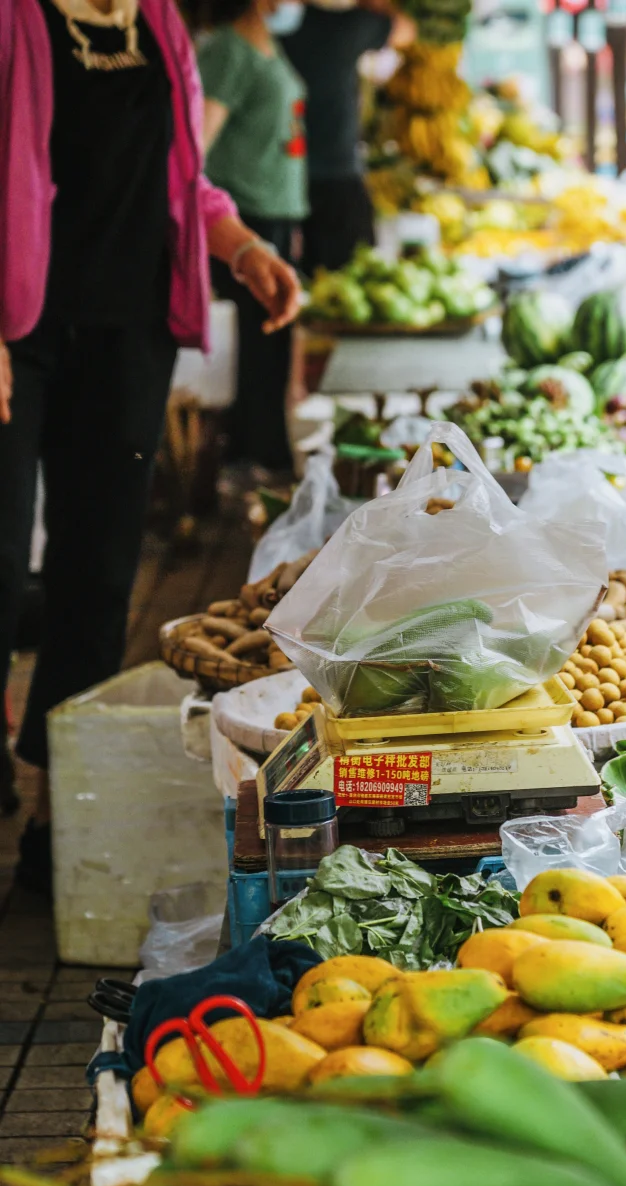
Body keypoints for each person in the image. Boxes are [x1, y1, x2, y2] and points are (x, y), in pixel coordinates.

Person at [0, 0, 302, 894]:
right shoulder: (19, 20)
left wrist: (240, 245)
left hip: (130, 333)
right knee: (3, 564)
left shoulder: (159, 26)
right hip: (20, 334)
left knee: (97, 575)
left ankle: (57, 824)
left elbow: (181, 180)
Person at [199, 0, 310, 475]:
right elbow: (194, 143)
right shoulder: (226, 50)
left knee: (272, 349)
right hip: (242, 218)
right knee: (259, 348)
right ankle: (253, 459)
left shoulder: (268, 45)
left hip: (275, 211)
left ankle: (263, 453)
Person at [282, 0, 409, 272]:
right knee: (353, 272)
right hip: (335, 174)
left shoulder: (281, 27)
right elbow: (407, 29)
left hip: (282, 173)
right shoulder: (351, 26)